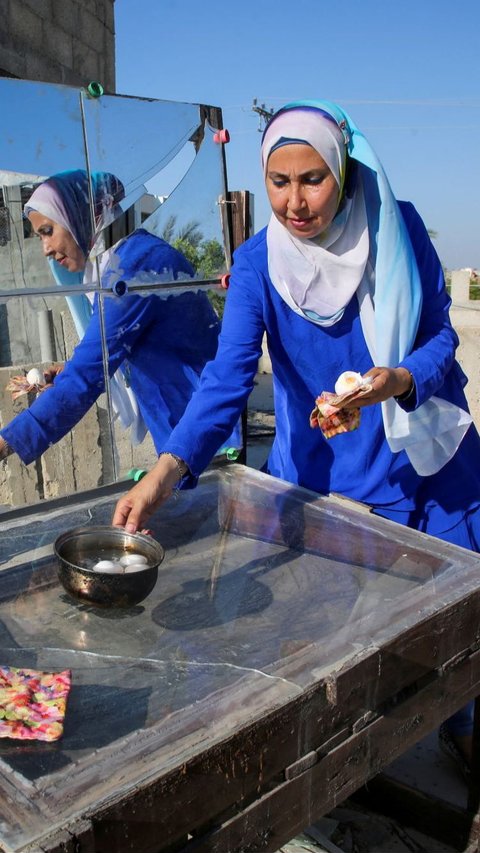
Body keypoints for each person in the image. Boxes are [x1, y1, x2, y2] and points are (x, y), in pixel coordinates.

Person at [112, 100, 480, 766]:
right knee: (334, 650)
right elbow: (227, 380)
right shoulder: (257, 265)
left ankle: (462, 738)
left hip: (427, 465)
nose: (295, 202)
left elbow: (440, 336)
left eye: (313, 179)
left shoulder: (397, 231)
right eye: (279, 183)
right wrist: (166, 473)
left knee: (462, 637)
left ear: (343, 172)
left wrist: (397, 379)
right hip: (320, 480)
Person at [0, 169, 236, 466]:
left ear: (79, 215)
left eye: (48, 231)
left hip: (208, 432)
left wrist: (5, 442)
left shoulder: (131, 270)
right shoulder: (121, 260)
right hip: (187, 428)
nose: (45, 249)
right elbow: (115, 347)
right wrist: (69, 369)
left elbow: (86, 376)